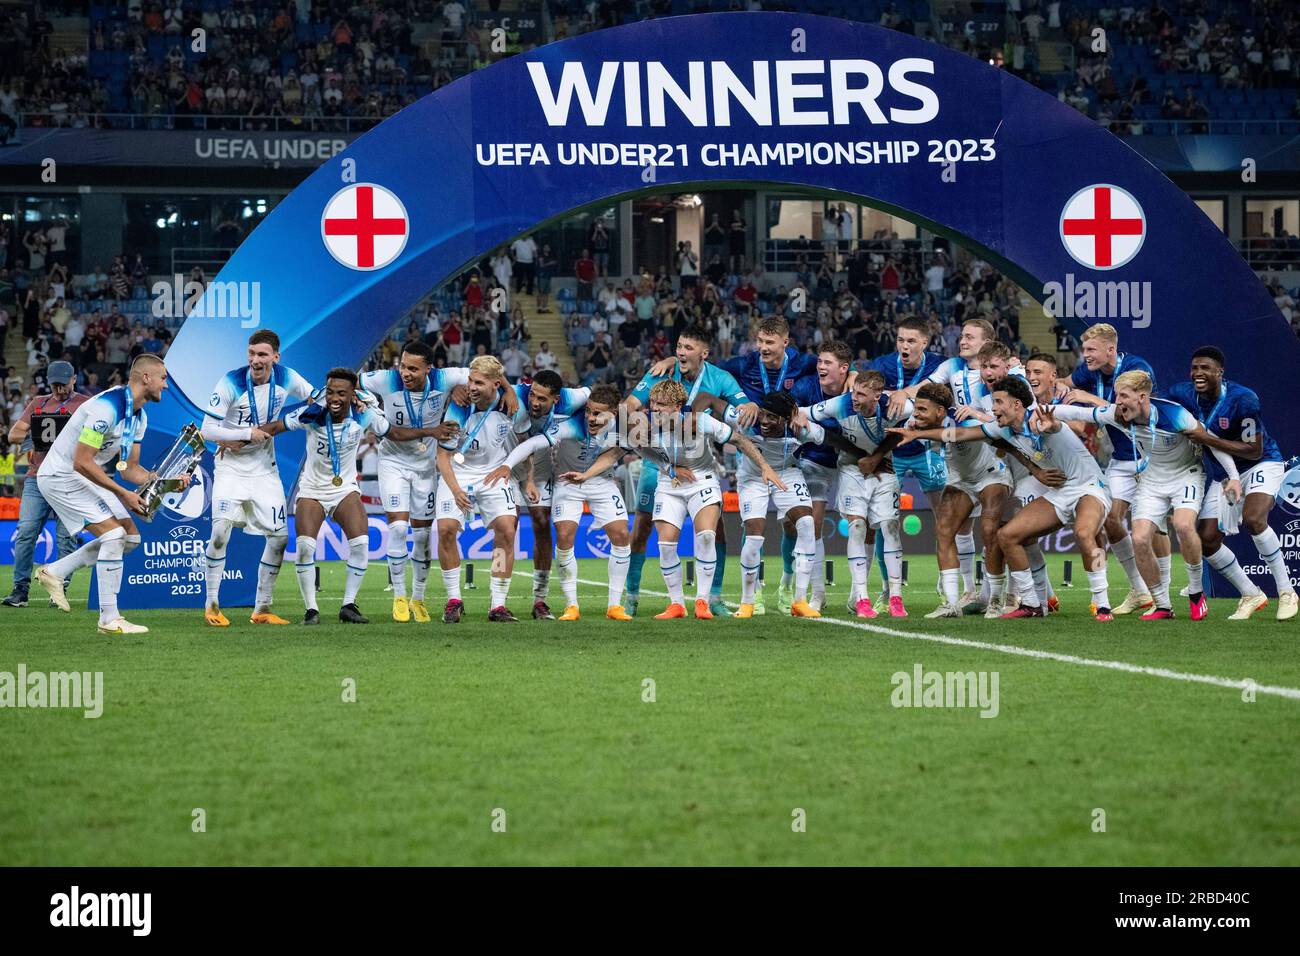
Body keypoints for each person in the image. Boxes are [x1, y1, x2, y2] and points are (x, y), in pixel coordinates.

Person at [1051, 370, 1242, 620]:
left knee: (1184, 525)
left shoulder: (1175, 414)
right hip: (1151, 479)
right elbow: (1079, 413)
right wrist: (1040, 412)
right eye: (1117, 396)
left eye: (1123, 396)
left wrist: (1234, 476)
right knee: (1140, 538)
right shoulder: (1117, 414)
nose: (1117, 402)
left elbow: (1211, 441)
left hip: (1186, 473)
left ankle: (1196, 592)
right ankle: (1162, 605)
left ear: (1142, 397)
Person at [607, 379, 784, 620]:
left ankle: (702, 601)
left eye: (662, 405)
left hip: (702, 479)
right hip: (669, 484)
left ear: (678, 406)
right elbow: (639, 449)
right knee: (666, 545)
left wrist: (764, 466)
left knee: (707, 536)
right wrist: (669, 469)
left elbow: (739, 440)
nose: (655, 409)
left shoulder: (701, 421)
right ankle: (677, 604)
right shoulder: (643, 425)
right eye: (653, 404)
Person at [34, 354, 182, 634]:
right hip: (61, 476)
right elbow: (81, 460)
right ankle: (109, 619)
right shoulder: (107, 406)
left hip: (86, 476)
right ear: (146, 378)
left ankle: (54, 571)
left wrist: (165, 481)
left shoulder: (139, 417)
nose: (166, 386)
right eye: (163, 379)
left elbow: (129, 469)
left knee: (132, 539)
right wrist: (124, 495)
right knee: (114, 535)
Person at [360, 342, 495, 623]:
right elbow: (351, 380)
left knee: (422, 537)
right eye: (403, 366)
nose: (405, 373)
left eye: (412, 368)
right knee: (398, 529)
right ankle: (398, 595)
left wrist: (464, 387)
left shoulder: (446, 378)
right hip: (393, 463)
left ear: (428, 369)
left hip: (426, 467)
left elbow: (486, 370)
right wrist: (360, 401)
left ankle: (418, 599)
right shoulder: (385, 379)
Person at [629, 324, 754, 617]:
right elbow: (630, 405)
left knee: (714, 530)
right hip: (657, 462)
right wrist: (642, 427)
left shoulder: (720, 378)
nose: (681, 353)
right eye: (679, 347)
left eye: (688, 348)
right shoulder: (662, 372)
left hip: (698, 464)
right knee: (643, 527)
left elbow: (743, 407)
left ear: (704, 353)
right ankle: (632, 595)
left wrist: (749, 408)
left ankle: (713, 598)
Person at [486, 383, 633, 621]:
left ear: (614, 414)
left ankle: (615, 606)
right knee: (563, 535)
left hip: (602, 482)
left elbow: (615, 454)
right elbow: (533, 444)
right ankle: (571, 605)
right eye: (589, 411)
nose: (591, 418)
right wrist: (507, 465)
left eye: (598, 414)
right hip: (566, 481)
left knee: (621, 535)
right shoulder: (571, 424)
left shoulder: (625, 426)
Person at [1166, 347, 1293, 620]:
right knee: (1208, 540)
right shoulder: (1182, 393)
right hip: (1223, 474)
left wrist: (1207, 438)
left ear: (1220, 372)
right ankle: (1251, 594)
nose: (1198, 374)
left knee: (1254, 517)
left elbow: (1253, 449)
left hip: (1261, 463)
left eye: (1205, 368)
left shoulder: (1243, 399)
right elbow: (1158, 408)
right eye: (1195, 368)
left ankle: (1287, 592)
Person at [200, 330, 315, 627]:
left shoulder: (286, 377)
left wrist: (289, 421)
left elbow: (318, 400)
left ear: (276, 357)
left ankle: (262, 609)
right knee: (220, 533)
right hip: (230, 469)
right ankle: (211, 604)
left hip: (265, 470)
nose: (255, 360)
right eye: (251, 353)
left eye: (262, 355)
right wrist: (244, 434)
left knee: (279, 538)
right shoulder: (231, 382)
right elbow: (207, 430)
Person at [1060, 323, 1166, 615]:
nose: (1086, 356)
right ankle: (1140, 590)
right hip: (1120, 458)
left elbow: (1135, 413)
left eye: (1092, 350)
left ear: (1111, 349)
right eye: (1084, 350)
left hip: (1151, 455)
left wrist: (1089, 399)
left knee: (1156, 524)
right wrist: (1038, 379)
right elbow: (1065, 382)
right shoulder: (1089, 371)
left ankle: (1164, 594)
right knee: (1111, 519)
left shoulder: (1137, 369)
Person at [806, 370, 914, 617]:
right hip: (851, 470)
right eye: (854, 392)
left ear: (878, 395)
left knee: (890, 527)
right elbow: (806, 413)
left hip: (884, 468)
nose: (854, 398)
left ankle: (896, 597)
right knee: (856, 527)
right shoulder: (841, 404)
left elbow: (921, 412)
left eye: (861, 394)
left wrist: (876, 457)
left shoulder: (896, 407)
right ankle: (861, 599)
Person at [435, 356, 523, 623]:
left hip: (493, 474)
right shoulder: (459, 407)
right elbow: (442, 455)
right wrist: (456, 490)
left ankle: (497, 604)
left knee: (507, 530)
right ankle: (454, 600)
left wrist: (526, 476)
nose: (471, 387)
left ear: (496, 384)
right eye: (470, 380)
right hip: (456, 474)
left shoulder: (514, 401)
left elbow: (528, 436)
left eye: (478, 383)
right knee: (446, 529)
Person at [505, 370, 589, 619]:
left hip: (540, 469)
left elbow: (593, 394)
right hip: (507, 465)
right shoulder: (516, 396)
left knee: (542, 524)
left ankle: (540, 601)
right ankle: (497, 601)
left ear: (556, 398)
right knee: (506, 527)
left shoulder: (571, 398)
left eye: (542, 399)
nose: (534, 402)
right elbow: (486, 380)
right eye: (533, 395)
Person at [3, 360, 85, 608]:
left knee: (66, 537)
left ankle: (59, 590)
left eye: (64, 384)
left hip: (70, 480)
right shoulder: (38, 403)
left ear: (74, 379)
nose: (60, 390)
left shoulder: (85, 404)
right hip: (37, 478)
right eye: (56, 385)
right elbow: (13, 435)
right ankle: (20, 590)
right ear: (50, 383)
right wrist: (38, 432)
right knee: (26, 532)